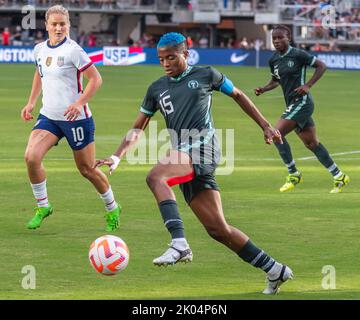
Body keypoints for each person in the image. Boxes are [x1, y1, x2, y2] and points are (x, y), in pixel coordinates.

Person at [96, 32, 293, 294]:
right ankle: (275, 269)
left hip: (204, 147)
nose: (165, 63)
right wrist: (117, 155)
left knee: (156, 177)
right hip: (184, 153)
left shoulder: (206, 74)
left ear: (185, 54)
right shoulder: (156, 88)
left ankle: (179, 243)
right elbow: (137, 127)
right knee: (218, 229)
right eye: (161, 59)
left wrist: (266, 126)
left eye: (171, 57)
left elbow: (238, 95)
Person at [21, 5, 121, 231]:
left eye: (62, 24)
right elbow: (40, 73)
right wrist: (31, 102)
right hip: (50, 116)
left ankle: (112, 207)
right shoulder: (39, 50)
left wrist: (79, 103)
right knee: (31, 157)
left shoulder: (73, 50)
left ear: (68, 26)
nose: (58, 28)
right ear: (46, 25)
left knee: (86, 169)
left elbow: (96, 79)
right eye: (54, 24)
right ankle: (43, 206)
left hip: (77, 120)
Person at [255, 25, 350, 194]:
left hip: (302, 102)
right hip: (292, 104)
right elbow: (275, 81)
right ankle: (339, 176)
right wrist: (263, 89)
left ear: (288, 38)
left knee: (275, 133)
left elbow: (322, 66)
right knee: (312, 143)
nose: (276, 41)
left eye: (280, 38)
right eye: (274, 38)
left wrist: (308, 85)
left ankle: (293, 174)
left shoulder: (298, 54)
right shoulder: (274, 60)